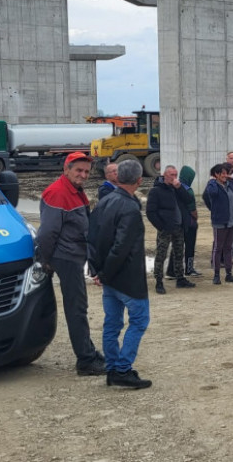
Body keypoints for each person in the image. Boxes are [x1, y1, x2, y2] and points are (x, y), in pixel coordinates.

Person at [37, 151, 105, 376]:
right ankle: (85, 360)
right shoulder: (57, 193)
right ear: (66, 169)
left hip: (74, 255)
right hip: (66, 258)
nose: (83, 175)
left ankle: (88, 351)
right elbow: (47, 233)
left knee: (79, 307)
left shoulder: (75, 191)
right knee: (76, 309)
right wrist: (46, 261)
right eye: (79, 170)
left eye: (86, 171)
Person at [87, 159, 152, 389]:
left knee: (112, 324)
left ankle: (113, 367)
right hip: (126, 278)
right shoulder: (129, 207)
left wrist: (96, 269)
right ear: (139, 180)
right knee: (139, 320)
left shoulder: (105, 202)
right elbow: (122, 246)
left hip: (110, 276)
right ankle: (122, 369)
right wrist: (103, 273)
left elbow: (91, 237)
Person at [146, 165, 195, 293]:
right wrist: (161, 226)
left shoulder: (176, 188)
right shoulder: (156, 191)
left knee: (179, 253)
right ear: (165, 175)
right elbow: (150, 212)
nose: (174, 178)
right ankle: (159, 281)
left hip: (178, 226)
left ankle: (180, 278)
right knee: (161, 255)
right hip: (165, 228)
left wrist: (179, 188)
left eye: (175, 175)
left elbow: (188, 200)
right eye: (172, 175)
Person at [203, 164, 233, 284]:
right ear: (216, 174)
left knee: (228, 248)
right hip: (220, 221)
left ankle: (229, 273)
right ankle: (216, 275)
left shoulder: (230, 184)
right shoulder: (213, 185)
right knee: (218, 248)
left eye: (226, 173)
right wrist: (212, 181)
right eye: (223, 173)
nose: (225, 175)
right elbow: (212, 193)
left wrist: (232, 178)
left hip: (232, 220)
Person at [179, 165, 202, 276]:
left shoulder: (176, 187)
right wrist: (196, 218)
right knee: (190, 246)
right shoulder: (188, 190)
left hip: (178, 222)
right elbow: (192, 209)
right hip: (189, 223)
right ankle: (189, 269)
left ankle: (172, 270)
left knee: (177, 247)